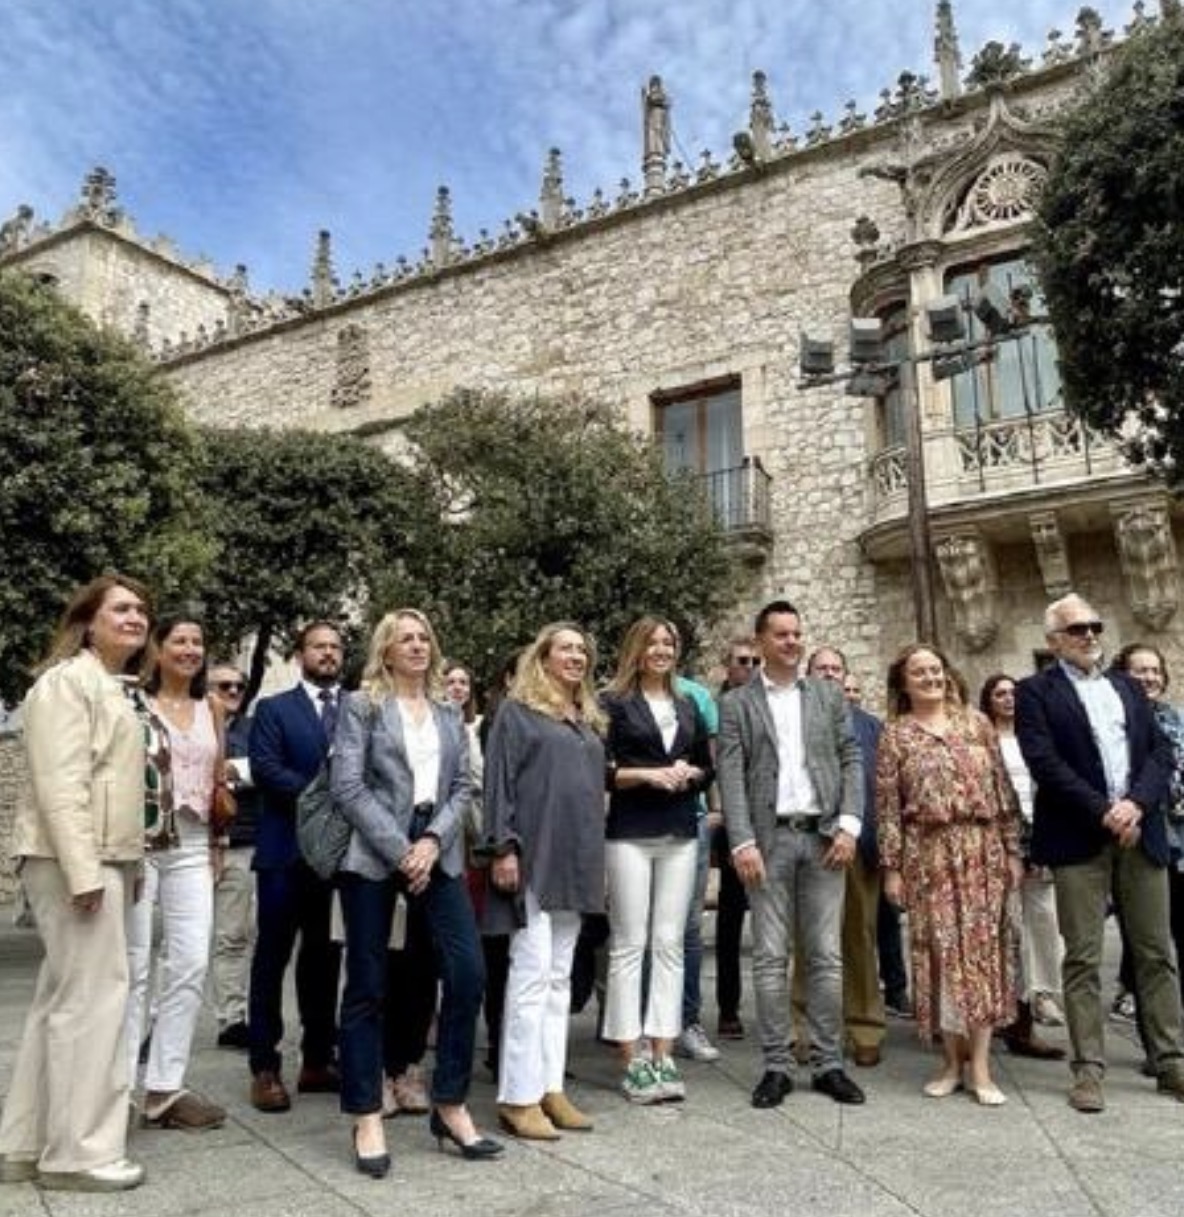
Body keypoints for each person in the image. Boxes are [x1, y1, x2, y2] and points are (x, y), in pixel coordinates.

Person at [332, 610, 499, 1176]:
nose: (418, 645)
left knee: (468, 972)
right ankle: (366, 1115)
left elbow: (462, 787)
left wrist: (430, 842)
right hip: (374, 854)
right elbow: (348, 787)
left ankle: (450, 1104)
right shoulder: (362, 706)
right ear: (385, 649)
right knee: (368, 983)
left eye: (424, 636)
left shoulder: (449, 711)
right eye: (405, 638)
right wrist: (401, 849)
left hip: (438, 850)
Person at [0, 575, 151, 1192]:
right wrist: (86, 871)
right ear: (88, 622)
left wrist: (128, 866)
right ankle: (78, 1154)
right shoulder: (67, 683)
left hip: (97, 858)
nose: (136, 617)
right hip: (74, 861)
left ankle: (25, 1144)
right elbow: (60, 784)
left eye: (141, 609)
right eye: (121, 608)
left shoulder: (106, 686)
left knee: (61, 1000)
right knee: (92, 1003)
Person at [1016, 594, 1184, 1113]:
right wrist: (1103, 810)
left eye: (1094, 626)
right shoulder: (1035, 692)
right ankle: (1088, 1069)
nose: (1089, 635)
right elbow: (1044, 761)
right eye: (1077, 629)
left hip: (1140, 834)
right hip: (1078, 840)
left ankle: (1170, 1061)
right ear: (1054, 641)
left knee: (1156, 953)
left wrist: (1136, 804)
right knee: (1083, 957)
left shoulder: (1127, 687)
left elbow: (1161, 752)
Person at [718, 600, 866, 1109]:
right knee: (769, 957)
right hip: (768, 840)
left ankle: (828, 1064)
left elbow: (851, 757)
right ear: (761, 641)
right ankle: (777, 1065)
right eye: (781, 634)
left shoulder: (827, 695)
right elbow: (731, 774)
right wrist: (741, 841)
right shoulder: (738, 704)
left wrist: (849, 824)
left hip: (825, 837)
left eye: (797, 633)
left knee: (825, 955)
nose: (792, 641)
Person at [877, 644, 1024, 1105]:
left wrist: (1013, 851)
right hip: (928, 854)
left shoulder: (976, 724)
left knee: (982, 955)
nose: (930, 678)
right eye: (919, 672)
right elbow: (888, 809)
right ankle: (950, 1061)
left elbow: (1003, 792)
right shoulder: (896, 736)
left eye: (936, 670)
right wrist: (892, 869)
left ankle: (980, 1065)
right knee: (940, 957)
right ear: (904, 683)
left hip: (981, 850)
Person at [483, 622, 606, 1140]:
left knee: (560, 979)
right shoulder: (517, 712)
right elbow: (498, 784)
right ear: (544, 657)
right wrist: (503, 847)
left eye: (582, 650)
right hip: (533, 855)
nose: (576, 657)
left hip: (577, 859)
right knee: (530, 976)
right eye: (566, 649)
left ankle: (550, 1086)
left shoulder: (588, 718)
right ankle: (518, 1096)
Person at [600, 617, 713, 1102]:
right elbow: (603, 770)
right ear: (637, 649)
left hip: (681, 831)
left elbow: (707, 767)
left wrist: (689, 773)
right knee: (629, 944)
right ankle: (631, 1058)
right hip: (630, 832)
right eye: (654, 643)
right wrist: (649, 775)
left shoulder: (688, 704)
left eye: (669, 643)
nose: (663, 650)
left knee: (670, 943)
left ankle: (663, 1052)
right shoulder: (613, 703)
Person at [124, 615, 228, 1131]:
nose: (190, 649)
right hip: (139, 841)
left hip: (192, 842)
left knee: (188, 962)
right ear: (157, 649)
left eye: (197, 642)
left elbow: (218, 776)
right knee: (133, 967)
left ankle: (165, 1088)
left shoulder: (212, 706)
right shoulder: (132, 704)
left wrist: (218, 842)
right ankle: (118, 1090)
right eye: (179, 641)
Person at [247, 621, 345, 1112]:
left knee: (325, 961)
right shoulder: (273, 709)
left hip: (338, 860)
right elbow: (266, 769)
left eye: (335, 647)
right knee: (272, 958)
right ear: (300, 655)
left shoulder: (359, 709)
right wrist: (328, 799)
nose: (328, 654)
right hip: (284, 854)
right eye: (318, 646)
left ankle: (317, 1060)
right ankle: (265, 1066)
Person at [800, 646, 886, 1068]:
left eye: (837, 668)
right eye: (822, 668)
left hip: (857, 846)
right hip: (807, 844)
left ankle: (864, 1027)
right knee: (808, 941)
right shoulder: (793, 718)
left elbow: (880, 788)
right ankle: (803, 1030)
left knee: (859, 939)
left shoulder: (871, 727)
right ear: (809, 675)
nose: (831, 674)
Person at [979, 673, 1066, 1059]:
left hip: (1041, 837)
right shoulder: (984, 740)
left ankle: (1039, 997)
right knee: (1005, 930)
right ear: (989, 700)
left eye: (1013, 693)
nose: (1008, 699)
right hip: (1000, 842)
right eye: (999, 693)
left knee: (1043, 924)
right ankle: (1009, 1015)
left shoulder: (1037, 737)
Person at [1109, 644, 1184, 1025]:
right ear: (1122, 675)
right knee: (1144, 937)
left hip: (1179, 839)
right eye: (1141, 670)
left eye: (1155, 670)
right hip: (1137, 837)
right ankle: (1141, 1007)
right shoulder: (1114, 721)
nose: (1150, 677)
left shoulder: (1175, 718)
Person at [208, 661, 258, 1050]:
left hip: (242, 842)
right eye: (223, 686)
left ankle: (234, 1017)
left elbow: (263, 768)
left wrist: (229, 771)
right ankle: (158, 1020)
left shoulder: (253, 729)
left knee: (237, 935)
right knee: (180, 943)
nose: (233, 693)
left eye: (238, 686)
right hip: (192, 844)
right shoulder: (189, 724)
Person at [713, 637, 758, 1040]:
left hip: (770, 824)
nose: (751, 667)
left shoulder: (768, 705)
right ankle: (728, 1007)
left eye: (756, 661)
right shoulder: (718, 709)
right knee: (730, 920)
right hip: (731, 826)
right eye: (743, 661)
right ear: (727, 667)